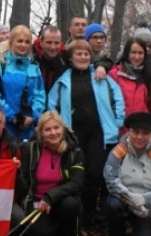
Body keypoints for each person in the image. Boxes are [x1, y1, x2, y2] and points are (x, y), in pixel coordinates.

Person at [48, 39, 125, 224]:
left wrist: (117, 123)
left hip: (99, 132)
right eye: (78, 54)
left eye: (86, 54)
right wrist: (59, 129)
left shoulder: (102, 77)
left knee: (95, 173)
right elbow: (52, 106)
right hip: (72, 134)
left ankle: (90, 214)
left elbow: (118, 100)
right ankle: (76, 216)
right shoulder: (62, 80)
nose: (83, 57)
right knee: (75, 174)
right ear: (71, 57)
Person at [12, 111, 84, 236]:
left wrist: (50, 197)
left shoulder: (75, 151)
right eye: (48, 129)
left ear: (62, 129)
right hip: (35, 201)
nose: (53, 133)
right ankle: (49, 231)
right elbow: (24, 187)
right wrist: (18, 172)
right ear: (40, 133)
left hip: (59, 200)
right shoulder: (29, 149)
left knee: (71, 204)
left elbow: (76, 184)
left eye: (56, 128)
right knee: (41, 233)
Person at [103, 112, 151, 236]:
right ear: (129, 132)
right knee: (113, 204)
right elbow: (111, 179)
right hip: (124, 199)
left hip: (147, 207)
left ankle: (139, 229)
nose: (139, 137)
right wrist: (130, 197)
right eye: (135, 132)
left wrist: (144, 199)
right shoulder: (118, 152)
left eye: (145, 133)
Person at [0, 25, 45, 143]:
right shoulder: (1, 63)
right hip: (5, 124)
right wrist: (11, 116)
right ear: (11, 42)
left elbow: (39, 94)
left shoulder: (34, 66)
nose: (23, 45)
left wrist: (33, 116)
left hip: (28, 126)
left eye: (27, 42)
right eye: (19, 41)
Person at [108, 36, 151, 118]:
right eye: (133, 52)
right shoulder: (114, 75)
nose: (137, 57)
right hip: (119, 127)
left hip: (141, 127)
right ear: (127, 53)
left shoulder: (150, 78)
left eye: (140, 53)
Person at [34, 26, 69, 93]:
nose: (53, 47)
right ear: (41, 42)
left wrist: (96, 65)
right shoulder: (31, 59)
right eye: (49, 42)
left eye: (56, 43)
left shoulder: (66, 59)